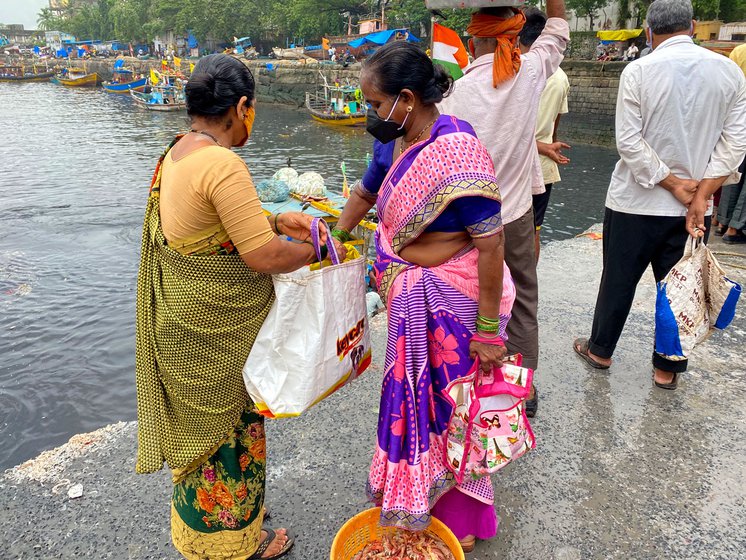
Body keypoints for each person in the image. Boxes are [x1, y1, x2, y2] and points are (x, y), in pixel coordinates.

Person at [135, 54, 345, 560]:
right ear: (242, 106)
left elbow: (207, 230)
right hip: (219, 334)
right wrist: (323, 245)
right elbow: (264, 258)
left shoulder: (177, 152)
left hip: (185, 327)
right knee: (229, 435)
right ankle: (235, 543)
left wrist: (275, 221)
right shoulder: (223, 162)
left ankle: (215, 519)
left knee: (201, 433)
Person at [334, 41, 515, 552]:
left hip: (455, 304)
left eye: (375, 103)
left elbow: (491, 243)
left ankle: (460, 516)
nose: (371, 113)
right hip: (410, 305)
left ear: (407, 99)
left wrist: (484, 333)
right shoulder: (390, 144)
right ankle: (412, 496)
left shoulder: (458, 149)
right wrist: (334, 237)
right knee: (410, 401)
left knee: (449, 408)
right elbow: (366, 193)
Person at [573, 0, 746, 390]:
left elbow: (630, 144)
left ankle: (600, 350)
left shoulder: (639, 70)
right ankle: (665, 370)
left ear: (650, 30)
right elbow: (734, 145)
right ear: (693, 25)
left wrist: (670, 184)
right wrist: (699, 195)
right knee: (679, 286)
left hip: (634, 201)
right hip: (693, 209)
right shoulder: (728, 72)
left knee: (618, 278)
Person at [438, 0, 569, 417]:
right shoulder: (530, 74)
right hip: (513, 214)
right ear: (513, 38)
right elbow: (558, 28)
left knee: (466, 298)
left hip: (463, 223)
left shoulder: (452, 96)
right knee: (523, 298)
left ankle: (468, 386)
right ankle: (522, 390)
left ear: (473, 41)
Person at [518, 9, 571, 260]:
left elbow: (513, 130)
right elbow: (554, 125)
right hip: (546, 165)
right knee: (534, 229)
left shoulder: (520, 71)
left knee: (509, 229)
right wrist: (546, 146)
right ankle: (530, 283)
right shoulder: (560, 76)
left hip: (519, 162)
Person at [714, 43, 746, 244]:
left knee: (734, 169)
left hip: (735, 113)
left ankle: (721, 221)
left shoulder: (739, 51)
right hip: (740, 113)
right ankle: (735, 228)